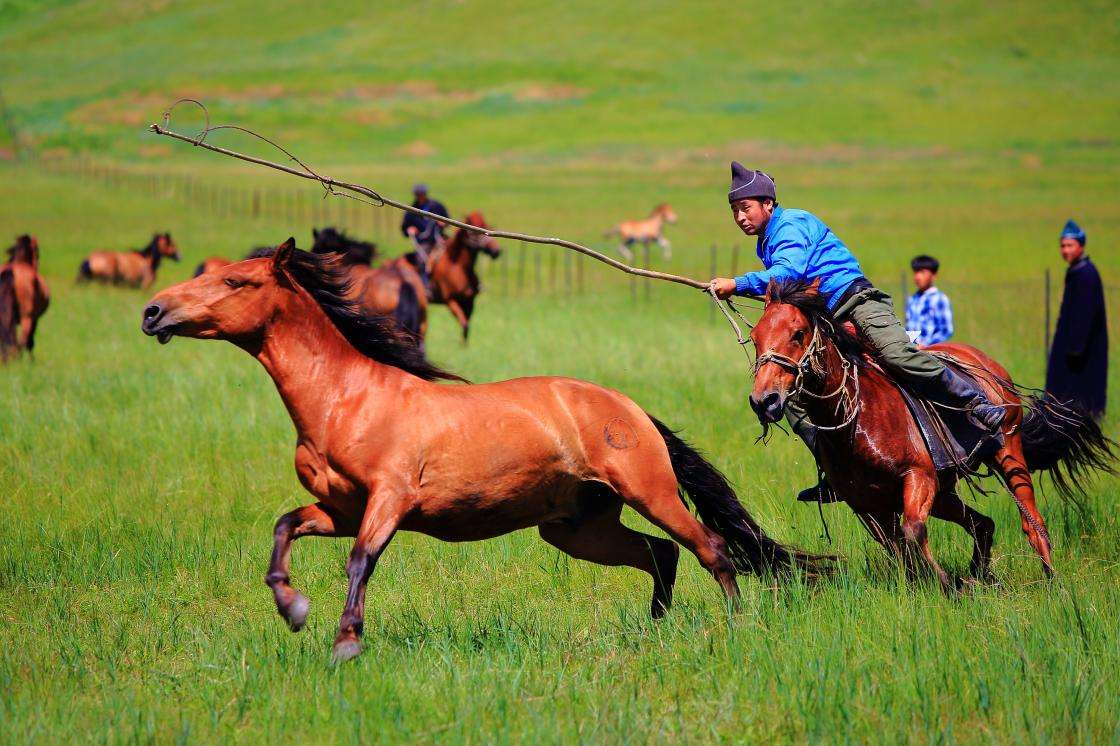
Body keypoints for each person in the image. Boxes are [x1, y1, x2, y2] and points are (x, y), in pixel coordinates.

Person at [708, 162, 1006, 502]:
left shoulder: (789, 225)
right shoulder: (765, 243)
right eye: (734, 211)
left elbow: (788, 274)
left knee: (896, 354)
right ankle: (833, 470)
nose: (739, 217)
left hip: (855, 300)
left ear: (768, 204)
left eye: (744, 208)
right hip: (825, 317)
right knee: (793, 394)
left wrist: (736, 284)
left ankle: (975, 403)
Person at [1046, 219, 1107, 418]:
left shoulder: (1086, 275)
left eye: (1070, 245)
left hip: (1080, 352)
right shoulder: (1075, 271)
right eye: (1062, 246)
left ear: (1081, 246)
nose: (1065, 250)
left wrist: (1074, 349)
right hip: (1071, 348)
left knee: (1078, 399)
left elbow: (1085, 316)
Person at [400, 184, 449, 287]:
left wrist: (443, 223)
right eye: (417, 194)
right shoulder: (411, 210)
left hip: (439, 239)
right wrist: (409, 229)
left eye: (421, 194)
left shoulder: (436, 206)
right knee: (422, 260)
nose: (420, 196)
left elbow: (447, 220)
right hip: (424, 242)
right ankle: (425, 285)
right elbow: (404, 228)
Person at [905, 255, 954, 346]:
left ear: (934, 276)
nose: (918, 277)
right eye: (915, 272)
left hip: (931, 349)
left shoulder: (939, 299)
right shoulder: (913, 299)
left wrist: (926, 344)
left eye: (922, 272)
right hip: (913, 348)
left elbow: (946, 330)